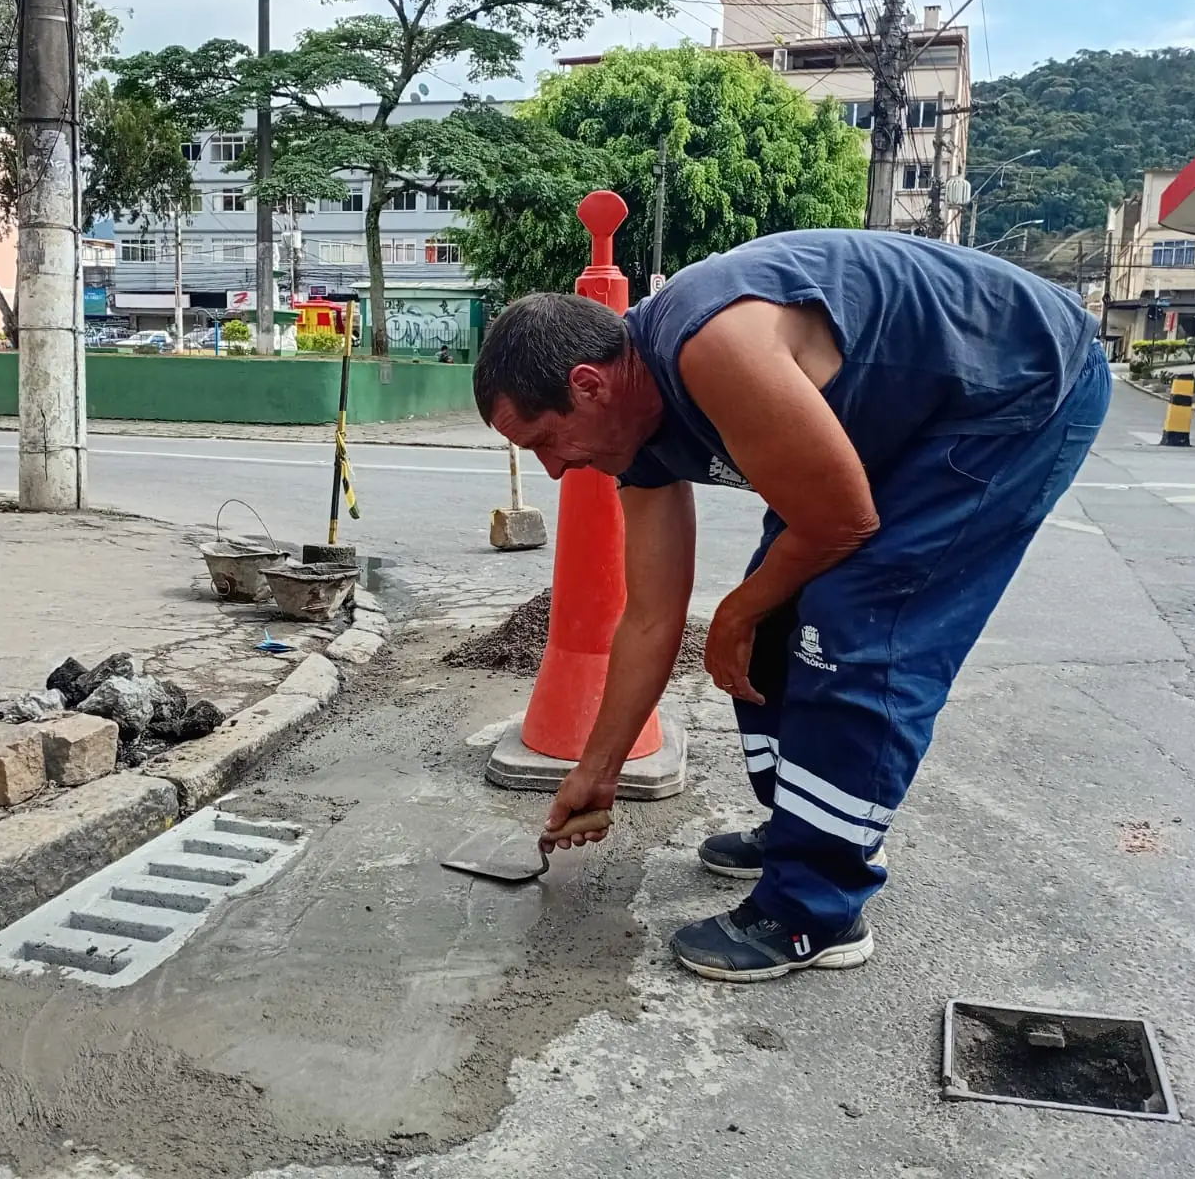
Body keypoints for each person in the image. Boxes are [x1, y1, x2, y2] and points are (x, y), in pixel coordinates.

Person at [473, 229, 1110, 984]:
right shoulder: (633, 434)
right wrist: (597, 769)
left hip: (1018, 384)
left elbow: (844, 522)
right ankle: (802, 829)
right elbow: (649, 615)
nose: (553, 471)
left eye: (548, 442)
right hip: (903, 418)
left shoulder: (713, 346)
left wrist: (738, 612)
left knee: (854, 628)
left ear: (589, 384)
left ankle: (817, 906)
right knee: (779, 617)